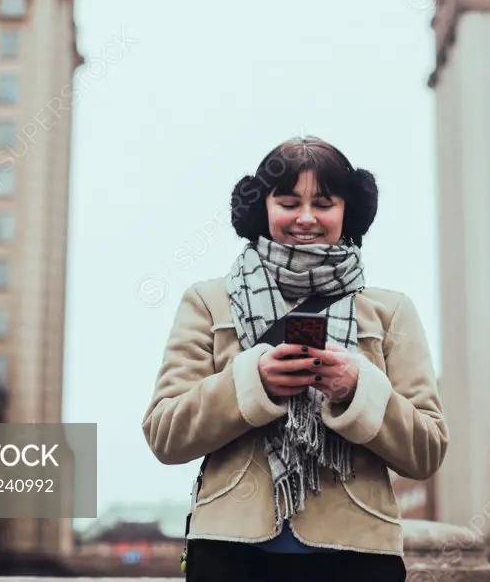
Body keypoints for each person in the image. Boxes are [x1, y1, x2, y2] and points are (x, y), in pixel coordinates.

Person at [142, 137, 448, 582]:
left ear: (348, 212)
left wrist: (358, 390)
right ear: (262, 209)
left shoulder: (390, 311)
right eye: (288, 202)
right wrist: (253, 383)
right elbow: (165, 433)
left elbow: (427, 450)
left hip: (356, 552)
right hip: (231, 553)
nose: (306, 218)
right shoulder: (209, 302)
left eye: (323, 203)